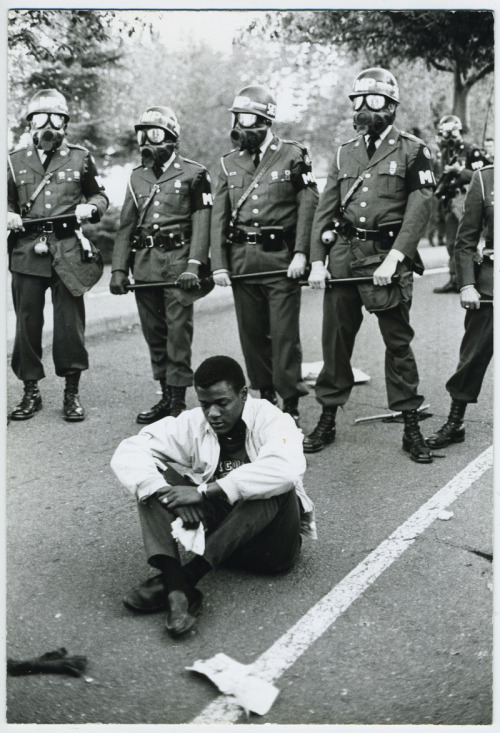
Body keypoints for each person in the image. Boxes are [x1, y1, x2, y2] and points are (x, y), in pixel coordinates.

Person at [110, 355, 316, 638]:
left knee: (275, 485)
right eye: (205, 404)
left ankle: (185, 578)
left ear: (244, 394)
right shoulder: (194, 423)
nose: (213, 413)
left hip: (272, 549)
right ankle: (178, 592)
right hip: (221, 541)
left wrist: (202, 492)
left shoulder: (272, 419)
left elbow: (286, 470)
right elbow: (132, 448)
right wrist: (163, 491)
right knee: (150, 481)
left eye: (222, 403)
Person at [305, 67, 435, 463]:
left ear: (391, 107)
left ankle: (410, 423)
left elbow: (421, 204)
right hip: (345, 257)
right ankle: (328, 416)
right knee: (335, 341)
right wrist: (315, 260)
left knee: (397, 343)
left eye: (373, 100)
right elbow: (327, 207)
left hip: (385, 259)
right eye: (358, 100)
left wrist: (397, 257)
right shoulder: (346, 151)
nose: (364, 108)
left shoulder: (413, 150)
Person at [210, 85, 319, 425]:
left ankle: (291, 403)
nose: (241, 126)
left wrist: (302, 253)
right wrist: (219, 264)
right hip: (243, 262)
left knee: (285, 336)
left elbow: (308, 205)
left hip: (280, 261)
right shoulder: (228, 163)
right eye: (238, 118)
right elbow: (218, 216)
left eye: (248, 119)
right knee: (252, 335)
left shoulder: (292, 155)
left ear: (265, 119)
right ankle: (265, 394)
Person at [7, 89, 109, 421]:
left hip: (67, 251)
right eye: (40, 119)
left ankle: (71, 393)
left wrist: (91, 207)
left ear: (65, 124)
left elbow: (99, 195)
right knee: (27, 324)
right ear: (30, 125)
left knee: (69, 326)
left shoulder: (80, 158)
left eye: (55, 119)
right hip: (27, 252)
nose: (47, 126)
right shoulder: (13, 160)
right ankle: (30, 392)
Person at [110, 106, 212, 423]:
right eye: (142, 135)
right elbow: (126, 226)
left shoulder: (194, 173)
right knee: (154, 335)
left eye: (154, 134)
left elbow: (202, 222)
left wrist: (194, 265)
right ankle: (165, 397)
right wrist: (118, 269)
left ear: (171, 139)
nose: (147, 142)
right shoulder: (136, 177)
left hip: (179, 267)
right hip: (145, 268)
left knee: (177, 335)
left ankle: (179, 402)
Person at [426, 165, 494, 448]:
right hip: (493, 282)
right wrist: (467, 284)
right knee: (473, 355)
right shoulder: (486, 177)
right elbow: (464, 240)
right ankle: (456, 421)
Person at [433, 115, 489, 293]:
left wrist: (460, 170)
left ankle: (476, 278)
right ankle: (455, 279)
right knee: (451, 243)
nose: (449, 138)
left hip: (465, 199)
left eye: (453, 133)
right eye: (446, 134)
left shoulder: (472, 151)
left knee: (466, 241)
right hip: (450, 200)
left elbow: (483, 175)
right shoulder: (444, 153)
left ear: (460, 131)